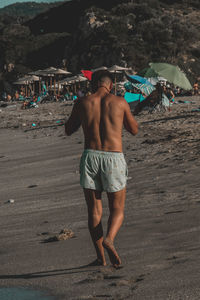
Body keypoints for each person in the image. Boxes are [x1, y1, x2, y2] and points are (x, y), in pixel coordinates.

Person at [65, 70, 138, 268]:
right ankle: (110, 239)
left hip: (90, 156)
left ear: (93, 83)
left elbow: (68, 129)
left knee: (94, 210)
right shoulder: (120, 102)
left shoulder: (82, 103)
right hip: (113, 157)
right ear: (110, 84)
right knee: (117, 208)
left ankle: (100, 258)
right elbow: (134, 130)